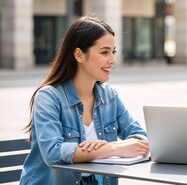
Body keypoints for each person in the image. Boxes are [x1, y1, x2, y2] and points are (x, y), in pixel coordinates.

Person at [20, 17, 149, 185]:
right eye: (104, 52)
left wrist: (116, 146)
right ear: (79, 54)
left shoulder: (110, 97)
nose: (113, 60)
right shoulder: (48, 97)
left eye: (113, 52)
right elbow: (53, 153)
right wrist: (112, 148)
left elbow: (141, 138)